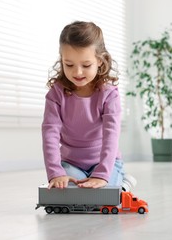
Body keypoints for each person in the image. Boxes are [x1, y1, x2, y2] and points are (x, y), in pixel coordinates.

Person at [42, 21, 135, 191]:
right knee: (66, 193)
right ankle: (92, 180)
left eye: (86, 65)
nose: (77, 72)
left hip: (105, 162)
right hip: (71, 163)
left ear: (100, 61)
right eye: (69, 64)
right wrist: (56, 172)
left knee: (102, 195)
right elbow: (50, 134)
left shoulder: (109, 94)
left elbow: (111, 136)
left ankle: (124, 181)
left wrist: (102, 174)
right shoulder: (56, 94)